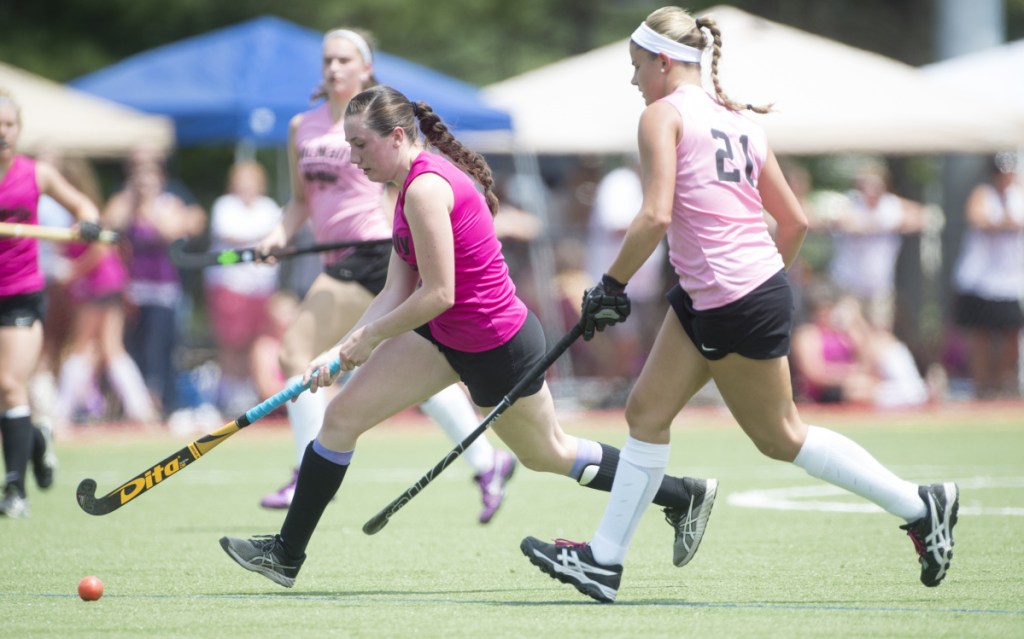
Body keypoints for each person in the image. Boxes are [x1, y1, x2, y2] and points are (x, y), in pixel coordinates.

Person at [519, 7, 959, 603]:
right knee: (646, 412)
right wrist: (755, 279)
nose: (633, 80)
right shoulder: (739, 119)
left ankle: (919, 505)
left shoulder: (661, 117)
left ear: (664, 62)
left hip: (729, 297)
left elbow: (655, 216)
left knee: (780, 436)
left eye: (636, 66)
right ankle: (604, 560)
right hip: (720, 293)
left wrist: (611, 285)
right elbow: (795, 221)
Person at [217, 85, 716, 588]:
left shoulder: (425, 189)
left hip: (499, 345)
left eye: (361, 145)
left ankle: (679, 494)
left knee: (548, 453)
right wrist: (341, 350)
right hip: (443, 338)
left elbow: (439, 293)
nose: (353, 157)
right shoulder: (402, 186)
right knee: (341, 419)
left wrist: (366, 342)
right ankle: (285, 555)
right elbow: (397, 289)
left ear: (395, 136)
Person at [253, 28, 515, 522]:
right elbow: (300, 202)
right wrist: (277, 236)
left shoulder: (374, 123)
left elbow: (404, 188)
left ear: (366, 68)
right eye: (327, 60)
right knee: (409, 368)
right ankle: (488, 461)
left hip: (375, 251)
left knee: (295, 350)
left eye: (344, 60)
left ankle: (307, 473)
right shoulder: (301, 127)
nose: (333, 68)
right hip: (339, 259)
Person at [0, 87, 105, 517]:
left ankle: (14, 492)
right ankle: (38, 439)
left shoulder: (36, 174)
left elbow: (84, 205)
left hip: (20, 293)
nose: (1, 132)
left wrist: (89, 223)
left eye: (8, 125)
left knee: (9, 384)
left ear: (18, 130)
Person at [54, 157, 158, 427]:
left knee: (82, 347)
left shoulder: (85, 212)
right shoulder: (87, 209)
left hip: (99, 284)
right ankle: (141, 409)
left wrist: (74, 272)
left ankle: (62, 413)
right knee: (111, 349)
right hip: (106, 283)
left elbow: (100, 249)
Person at [104, 145, 205, 418]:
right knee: (131, 350)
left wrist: (147, 206)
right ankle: (131, 407)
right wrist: (132, 204)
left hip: (163, 291)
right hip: (131, 291)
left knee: (161, 349)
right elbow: (108, 227)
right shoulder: (123, 201)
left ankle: (163, 405)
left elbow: (169, 233)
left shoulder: (169, 202)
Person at [204, 160, 282, 415]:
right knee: (232, 343)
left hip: (260, 289)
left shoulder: (268, 207)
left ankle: (249, 392)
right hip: (230, 287)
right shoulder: (225, 206)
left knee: (255, 342)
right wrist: (262, 237)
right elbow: (229, 235)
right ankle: (229, 394)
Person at [950, 152, 1024, 399]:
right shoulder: (983, 195)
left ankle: (1004, 384)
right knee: (980, 335)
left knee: (1012, 333)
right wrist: (1006, 222)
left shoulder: (1018, 196)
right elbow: (978, 218)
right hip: (982, 279)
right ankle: (981, 387)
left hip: (1011, 279)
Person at [791, 280, 930, 408]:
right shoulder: (807, 334)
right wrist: (852, 374)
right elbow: (815, 373)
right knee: (860, 391)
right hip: (826, 394)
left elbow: (866, 353)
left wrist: (856, 321)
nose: (826, 315)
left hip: (855, 385)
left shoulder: (844, 334)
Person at [826, 158, 924, 331]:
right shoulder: (850, 202)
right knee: (848, 332)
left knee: (880, 332)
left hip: (880, 285)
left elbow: (920, 216)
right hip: (849, 284)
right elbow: (838, 220)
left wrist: (884, 223)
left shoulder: (891, 204)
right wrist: (878, 224)